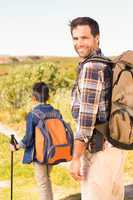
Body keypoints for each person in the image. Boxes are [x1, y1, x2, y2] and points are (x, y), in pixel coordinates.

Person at [69, 17, 125, 200]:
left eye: (84, 38)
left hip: (99, 151)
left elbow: (86, 122)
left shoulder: (92, 67)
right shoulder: (106, 63)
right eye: (75, 38)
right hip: (115, 148)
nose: (79, 43)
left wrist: (76, 158)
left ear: (97, 38)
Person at [10, 82, 54, 200]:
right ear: (48, 97)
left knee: (42, 183)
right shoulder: (55, 112)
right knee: (46, 180)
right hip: (52, 152)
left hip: (39, 154)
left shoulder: (33, 114)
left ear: (33, 97)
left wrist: (17, 146)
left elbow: (28, 139)